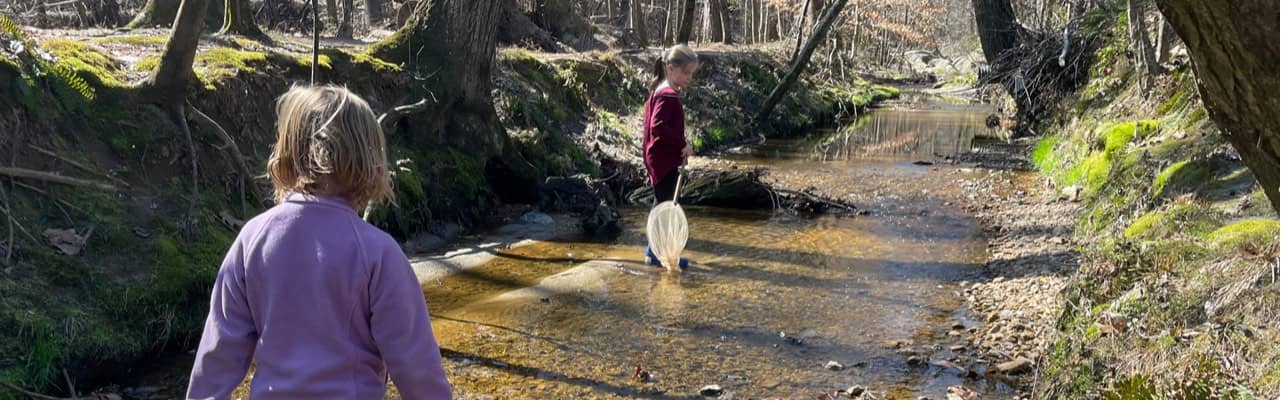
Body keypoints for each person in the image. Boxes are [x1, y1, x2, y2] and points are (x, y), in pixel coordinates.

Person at [186, 85, 452, 399]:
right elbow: (418, 371)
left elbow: (218, 356)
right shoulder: (379, 253)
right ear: (370, 161)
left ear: (286, 153)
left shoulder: (252, 239)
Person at [642, 45, 699, 269]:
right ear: (671, 69)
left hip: (657, 157)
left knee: (662, 204)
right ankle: (655, 254)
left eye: (691, 74)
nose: (689, 78)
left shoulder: (661, 90)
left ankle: (652, 251)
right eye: (686, 73)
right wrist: (682, 144)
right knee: (664, 206)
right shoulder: (668, 95)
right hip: (664, 159)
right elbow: (658, 128)